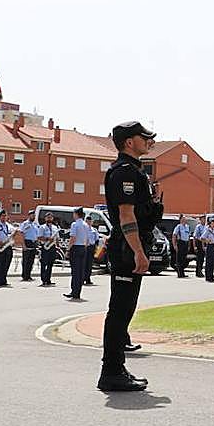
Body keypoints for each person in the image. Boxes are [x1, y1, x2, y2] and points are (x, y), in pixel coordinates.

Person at [98, 121, 162, 393]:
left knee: (124, 311)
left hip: (133, 246)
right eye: (143, 137)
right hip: (127, 248)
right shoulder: (124, 172)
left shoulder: (135, 171)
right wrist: (138, 251)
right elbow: (126, 215)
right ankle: (111, 371)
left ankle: (116, 368)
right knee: (120, 311)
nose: (149, 141)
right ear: (128, 142)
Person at [65, 207, 95, 300]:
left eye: (74, 214)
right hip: (83, 248)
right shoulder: (86, 225)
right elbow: (87, 239)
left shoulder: (75, 224)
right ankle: (77, 292)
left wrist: (68, 250)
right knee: (80, 271)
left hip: (76, 248)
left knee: (75, 271)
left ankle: (74, 292)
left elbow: (73, 238)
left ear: (76, 214)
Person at [0, 209, 14, 287]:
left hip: (7, 246)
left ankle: (3, 280)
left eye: (5, 216)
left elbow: (11, 235)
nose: (4, 217)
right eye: (2, 216)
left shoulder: (9, 225)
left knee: (6, 264)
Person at [37, 213, 60, 286]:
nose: (49, 219)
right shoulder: (42, 227)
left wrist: (57, 246)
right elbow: (39, 237)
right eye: (48, 217)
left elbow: (57, 238)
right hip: (45, 247)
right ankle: (43, 280)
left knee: (50, 264)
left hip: (52, 247)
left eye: (50, 217)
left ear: (52, 218)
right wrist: (47, 239)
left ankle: (48, 279)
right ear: (45, 218)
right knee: (44, 264)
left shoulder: (55, 227)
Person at [19, 216, 39, 281]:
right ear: (29, 215)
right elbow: (21, 234)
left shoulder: (35, 224)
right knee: (26, 261)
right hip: (27, 242)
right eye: (32, 215)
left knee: (31, 261)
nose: (33, 216)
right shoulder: (25, 224)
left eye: (34, 215)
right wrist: (23, 245)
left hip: (33, 243)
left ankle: (29, 275)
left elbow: (36, 234)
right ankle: (24, 276)